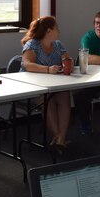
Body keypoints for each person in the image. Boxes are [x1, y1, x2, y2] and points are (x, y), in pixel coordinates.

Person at [21, 16, 72, 151]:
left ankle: (61, 137)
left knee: (64, 96)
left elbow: (66, 58)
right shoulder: (32, 44)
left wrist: (67, 63)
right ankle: (58, 136)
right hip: (33, 86)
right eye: (57, 28)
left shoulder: (58, 45)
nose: (59, 31)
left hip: (54, 85)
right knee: (46, 99)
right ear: (49, 31)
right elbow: (27, 65)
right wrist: (48, 69)